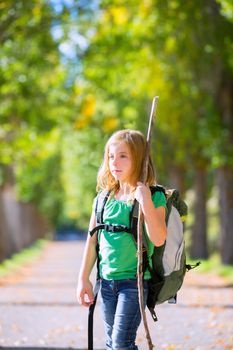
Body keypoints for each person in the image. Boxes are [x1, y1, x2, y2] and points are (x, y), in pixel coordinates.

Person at [76, 129, 167, 350]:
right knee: (112, 342)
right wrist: (83, 279)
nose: (114, 162)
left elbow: (158, 238)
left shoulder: (154, 195)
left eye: (123, 156)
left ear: (140, 159)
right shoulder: (102, 198)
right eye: (110, 156)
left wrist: (145, 200)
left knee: (120, 343)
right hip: (105, 282)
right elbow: (92, 241)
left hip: (134, 283)